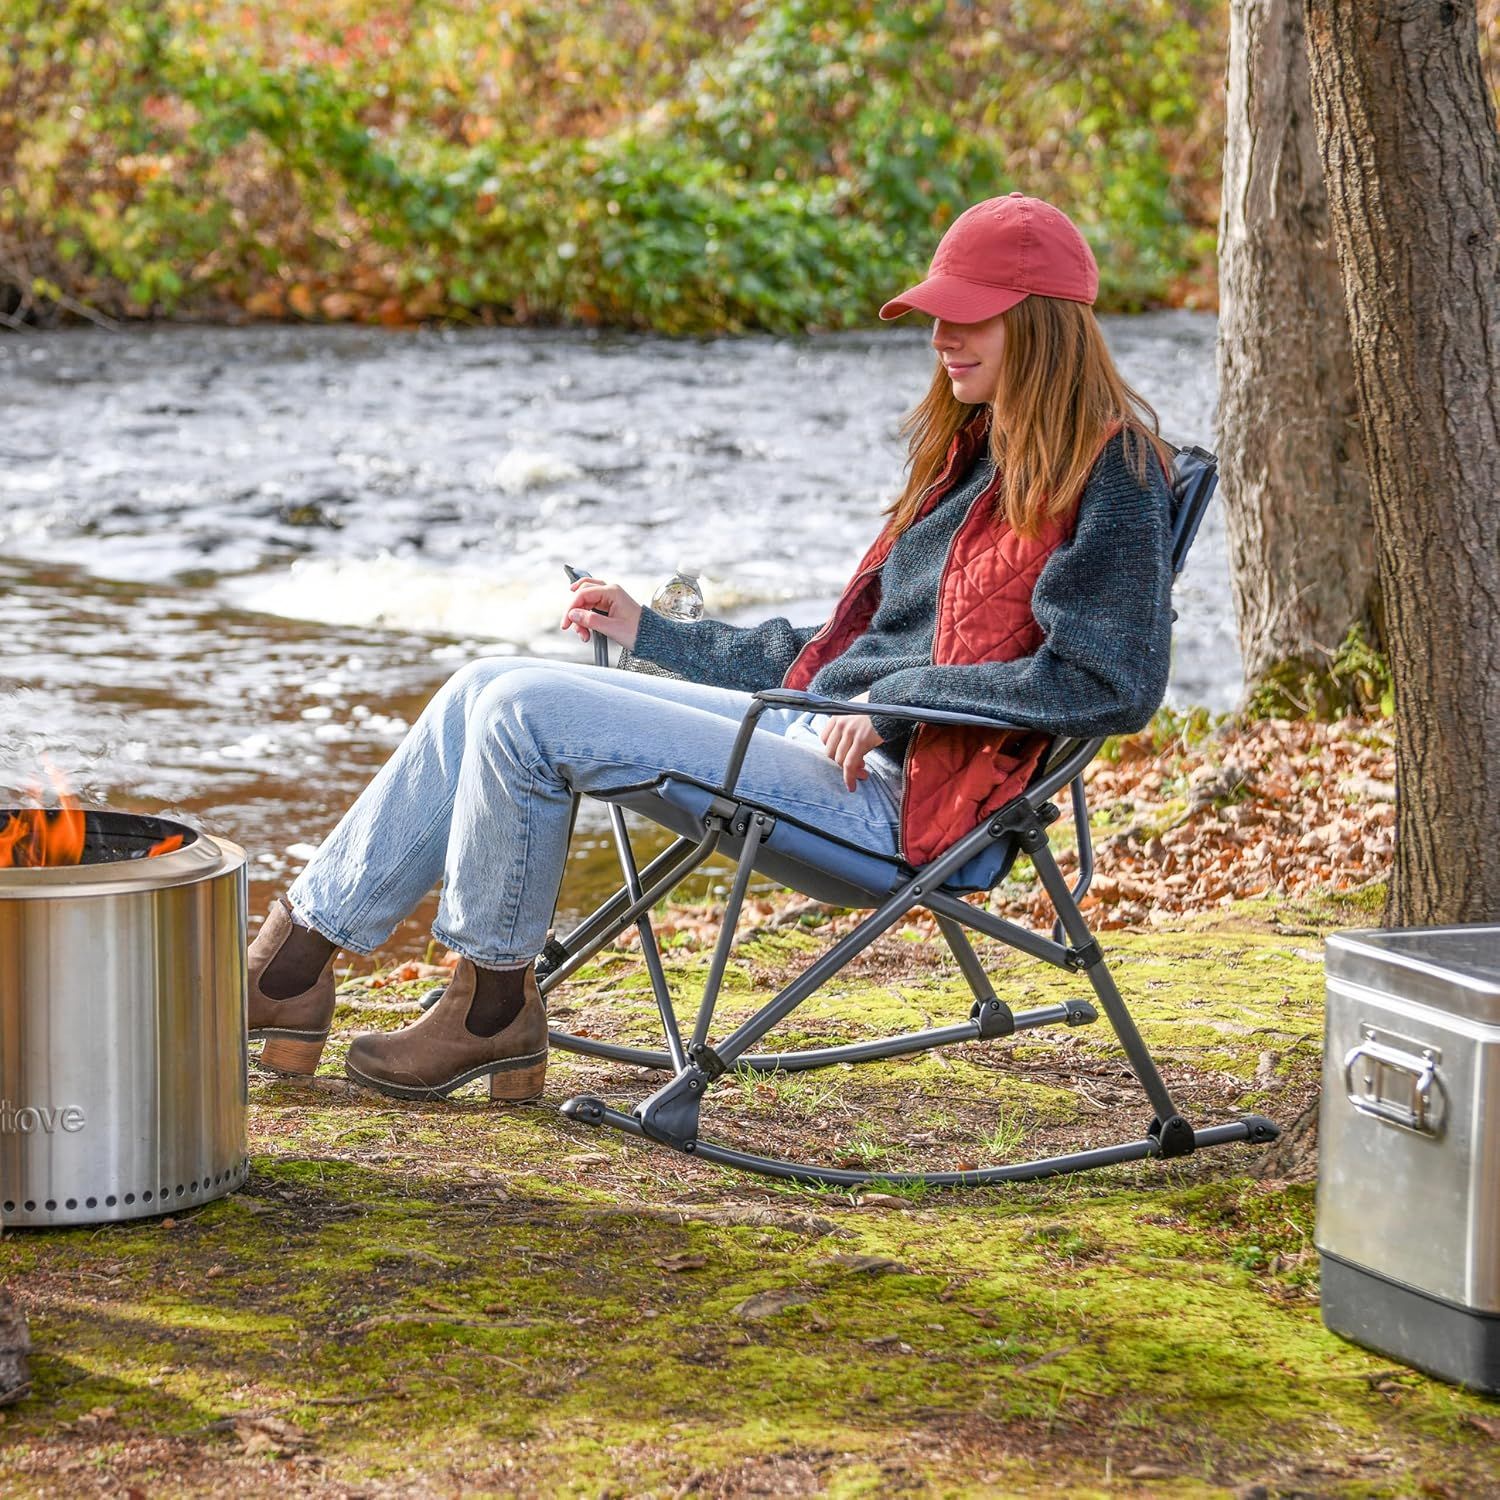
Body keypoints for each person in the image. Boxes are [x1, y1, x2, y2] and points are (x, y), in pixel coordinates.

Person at [247, 192, 1177, 1102]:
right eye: (934, 316)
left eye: (968, 318)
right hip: (821, 738)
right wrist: (657, 635)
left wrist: (895, 704)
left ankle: (491, 1013)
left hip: (906, 804)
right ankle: (291, 967)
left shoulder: (1116, 470)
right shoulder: (973, 457)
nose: (940, 338)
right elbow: (833, 657)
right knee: (484, 681)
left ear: (1044, 325)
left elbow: (1109, 680)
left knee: (525, 716)